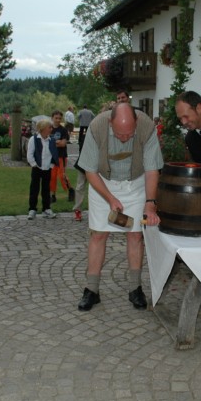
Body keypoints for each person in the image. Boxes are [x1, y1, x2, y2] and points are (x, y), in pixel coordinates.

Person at [75, 103, 164, 311]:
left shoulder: (146, 127)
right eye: (119, 134)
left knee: (135, 235)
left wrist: (150, 204)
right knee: (98, 235)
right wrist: (110, 198)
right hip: (102, 183)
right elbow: (89, 170)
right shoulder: (96, 127)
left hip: (135, 184)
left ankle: (135, 288)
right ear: (110, 122)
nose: (124, 139)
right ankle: (91, 289)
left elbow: (152, 169)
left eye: (129, 134)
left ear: (136, 122)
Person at [26, 119, 59, 220]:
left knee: (46, 189)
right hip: (37, 168)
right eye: (49, 127)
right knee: (34, 189)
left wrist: (51, 165)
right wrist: (34, 164)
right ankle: (32, 209)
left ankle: (46, 209)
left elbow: (54, 154)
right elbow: (30, 154)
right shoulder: (34, 139)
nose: (51, 129)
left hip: (47, 168)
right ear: (43, 128)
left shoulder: (51, 140)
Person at [49, 110, 71, 203]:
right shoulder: (49, 129)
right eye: (56, 118)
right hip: (51, 157)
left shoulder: (63, 130)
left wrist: (53, 143)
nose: (58, 120)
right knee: (52, 177)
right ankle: (53, 195)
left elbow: (63, 144)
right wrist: (57, 142)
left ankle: (71, 191)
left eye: (59, 118)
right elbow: (46, 143)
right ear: (52, 118)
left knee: (62, 176)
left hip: (61, 156)